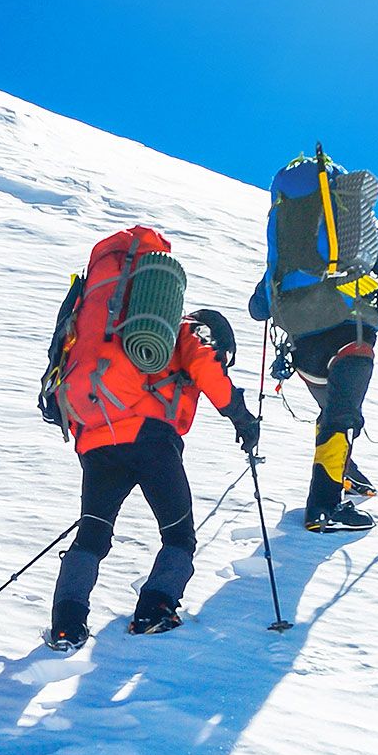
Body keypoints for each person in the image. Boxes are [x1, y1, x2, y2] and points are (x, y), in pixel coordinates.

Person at [43, 228, 263, 651]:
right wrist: (241, 416)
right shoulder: (188, 332)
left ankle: (67, 625)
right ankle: (155, 610)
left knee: (92, 534)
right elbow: (206, 371)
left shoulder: (116, 326)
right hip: (149, 438)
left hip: (94, 440)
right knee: (179, 535)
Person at [248, 152, 378, 533]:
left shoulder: (285, 232)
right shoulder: (360, 229)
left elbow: (258, 307)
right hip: (350, 332)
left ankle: (344, 473)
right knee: (343, 414)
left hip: (302, 344)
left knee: (336, 410)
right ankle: (324, 506)